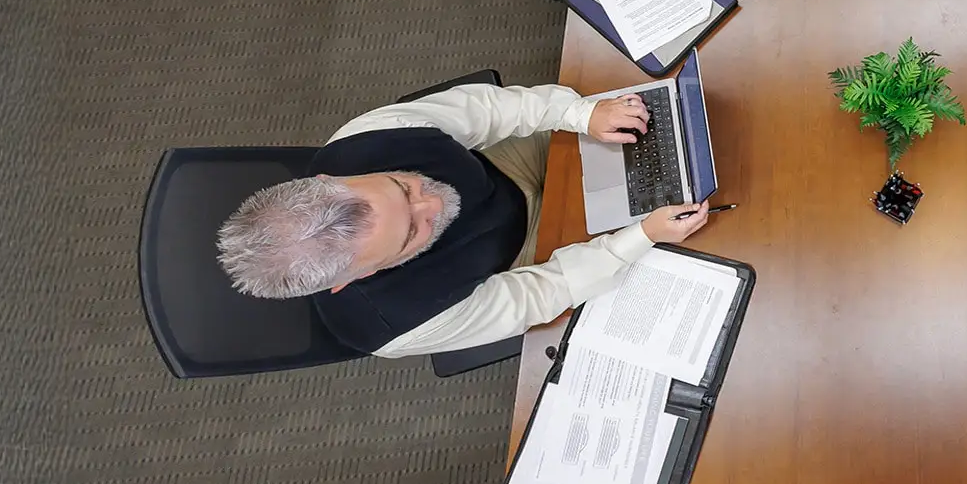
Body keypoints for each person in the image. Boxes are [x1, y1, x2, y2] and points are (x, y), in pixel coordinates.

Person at [216, 79, 713, 357]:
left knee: (661, 118)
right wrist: (638, 237)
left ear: (329, 179)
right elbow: (544, 291)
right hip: (519, 258)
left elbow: (494, 111)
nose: (434, 203)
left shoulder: (367, 137)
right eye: (412, 231)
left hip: (500, 161)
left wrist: (583, 116)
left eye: (401, 186)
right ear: (358, 277)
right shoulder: (398, 327)